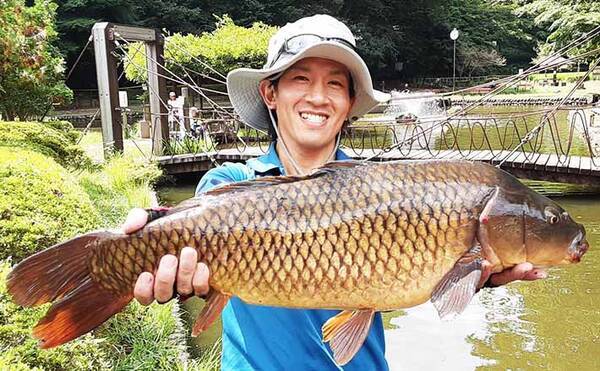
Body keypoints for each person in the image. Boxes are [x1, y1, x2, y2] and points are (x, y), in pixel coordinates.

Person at [122, 14, 547, 370]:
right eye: (301, 79)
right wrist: (151, 235)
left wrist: (471, 275)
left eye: (335, 85)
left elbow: (398, 286)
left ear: (348, 102)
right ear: (271, 93)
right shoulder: (227, 187)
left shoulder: (388, 193)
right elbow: (186, 234)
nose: (317, 97)